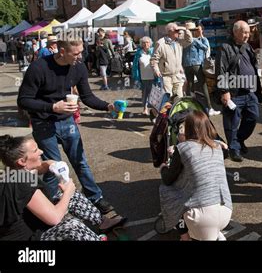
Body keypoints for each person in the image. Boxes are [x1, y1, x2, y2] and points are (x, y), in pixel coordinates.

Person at [17, 38, 125, 222]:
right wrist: (52, 107)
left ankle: (95, 197)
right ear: (61, 51)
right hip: (44, 123)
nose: (80, 56)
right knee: (55, 167)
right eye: (75, 53)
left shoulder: (79, 67)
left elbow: (87, 96)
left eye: (81, 51)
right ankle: (53, 206)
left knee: (80, 162)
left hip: (67, 122)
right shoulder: (39, 68)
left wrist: (108, 106)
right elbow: (24, 100)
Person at [0, 135, 100, 240]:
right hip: (30, 239)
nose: (41, 152)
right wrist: (68, 192)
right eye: (35, 151)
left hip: (35, 225)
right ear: (22, 161)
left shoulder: (12, 172)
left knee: (73, 197)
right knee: (72, 226)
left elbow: (38, 168)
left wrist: (51, 164)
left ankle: (103, 223)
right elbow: (54, 218)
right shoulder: (23, 182)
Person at [159, 111, 232, 241]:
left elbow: (168, 179)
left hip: (202, 218)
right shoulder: (217, 146)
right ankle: (213, 234)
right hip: (226, 211)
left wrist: (163, 167)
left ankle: (185, 236)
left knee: (167, 190)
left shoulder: (183, 148)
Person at [216, 20, 261, 163]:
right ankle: (234, 149)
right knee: (232, 123)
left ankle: (239, 140)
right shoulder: (225, 48)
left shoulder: (247, 47)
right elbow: (220, 70)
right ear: (235, 32)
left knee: (253, 117)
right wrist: (224, 91)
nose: (247, 35)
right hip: (234, 92)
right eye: (244, 32)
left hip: (250, 91)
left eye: (248, 32)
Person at [182, 22, 219, 116]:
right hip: (196, 64)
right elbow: (205, 47)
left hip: (186, 65)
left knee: (190, 86)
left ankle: (190, 107)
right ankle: (210, 108)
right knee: (203, 85)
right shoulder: (194, 40)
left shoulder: (183, 40)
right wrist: (201, 35)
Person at [151, 22, 192, 99]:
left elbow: (189, 41)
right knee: (168, 98)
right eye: (176, 30)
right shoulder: (161, 43)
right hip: (166, 76)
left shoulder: (179, 42)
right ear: (169, 31)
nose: (178, 32)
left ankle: (178, 111)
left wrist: (185, 29)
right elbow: (154, 59)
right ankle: (168, 111)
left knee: (179, 97)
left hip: (177, 75)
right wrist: (156, 70)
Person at [132, 36, 157, 115]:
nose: (146, 44)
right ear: (141, 44)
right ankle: (145, 108)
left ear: (150, 43)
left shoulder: (154, 52)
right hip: (143, 77)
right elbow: (135, 65)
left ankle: (154, 109)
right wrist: (135, 75)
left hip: (154, 76)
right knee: (144, 94)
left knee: (154, 94)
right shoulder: (139, 53)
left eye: (147, 42)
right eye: (144, 43)